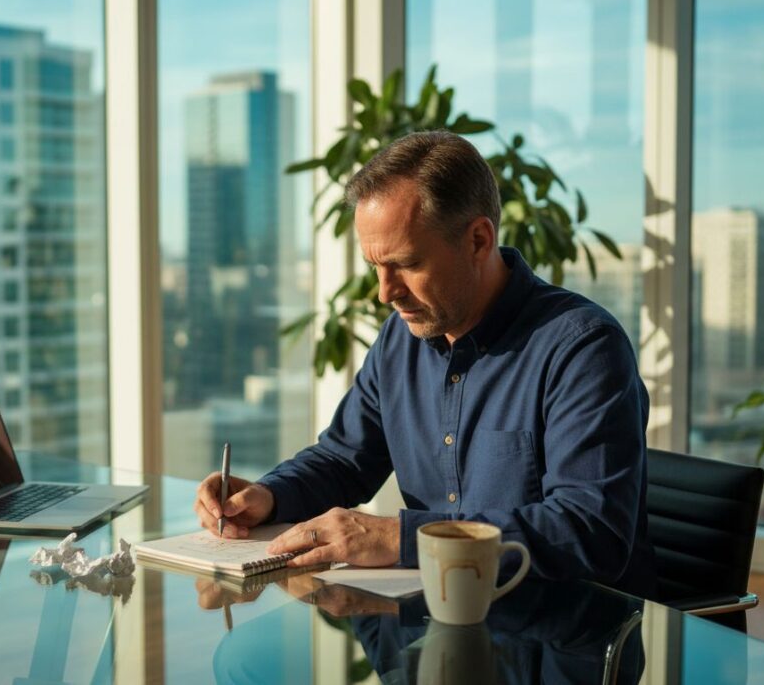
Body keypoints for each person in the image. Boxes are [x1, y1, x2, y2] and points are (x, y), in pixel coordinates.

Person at [193, 130, 655, 596]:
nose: (385, 293)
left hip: (566, 627)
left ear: (478, 240)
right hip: (437, 618)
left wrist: (404, 538)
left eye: (407, 263)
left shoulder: (583, 349)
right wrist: (269, 496)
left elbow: (591, 530)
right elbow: (343, 459)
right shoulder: (401, 338)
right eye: (375, 267)